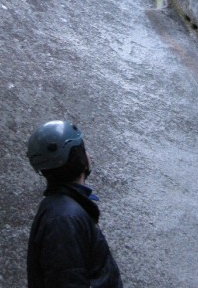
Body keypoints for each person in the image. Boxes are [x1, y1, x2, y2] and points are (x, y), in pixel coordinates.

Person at [26, 120, 124, 288]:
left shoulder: (63, 209)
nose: (89, 155)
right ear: (78, 158)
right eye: (84, 149)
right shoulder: (63, 219)